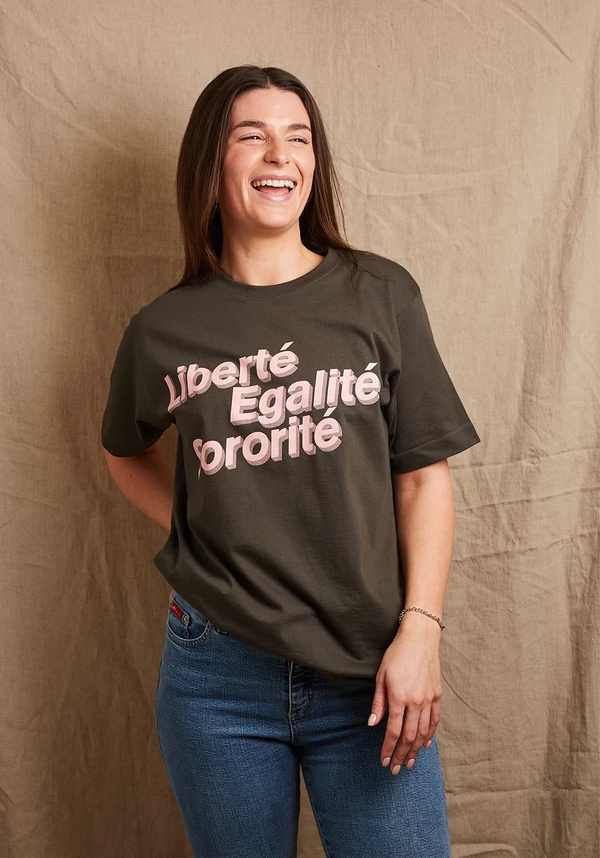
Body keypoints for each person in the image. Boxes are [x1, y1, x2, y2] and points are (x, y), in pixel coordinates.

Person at [100, 65, 481, 858]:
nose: (282, 154)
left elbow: (422, 478)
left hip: (369, 668)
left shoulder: (380, 296)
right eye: (253, 135)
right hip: (217, 676)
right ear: (212, 162)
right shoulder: (163, 330)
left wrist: (421, 632)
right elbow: (124, 452)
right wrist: (200, 525)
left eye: (299, 137)